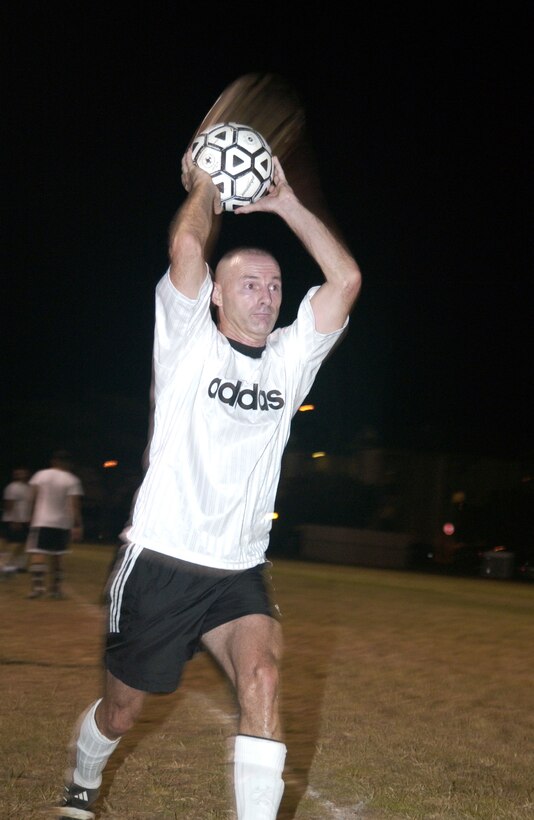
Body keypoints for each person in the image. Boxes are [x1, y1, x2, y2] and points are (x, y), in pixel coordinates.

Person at [57, 147, 361, 820]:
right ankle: (82, 782)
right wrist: (203, 186)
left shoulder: (288, 363)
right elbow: (188, 243)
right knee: (122, 709)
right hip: (161, 561)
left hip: (238, 571)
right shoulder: (187, 339)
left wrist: (286, 204)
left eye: (275, 284)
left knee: (264, 678)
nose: (267, 294)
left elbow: (344, 280)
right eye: (249, 283)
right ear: (218, 294)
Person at [26, 450, 84, 599]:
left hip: (41, 520)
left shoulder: (40, 475)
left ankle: (38, 588)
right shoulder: (72, 479)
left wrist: (30, 515)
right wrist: (77, 525)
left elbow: (32, 497)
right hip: (62, 523)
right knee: (58, 557)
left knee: (38, 553)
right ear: (67, 463)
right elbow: (74, 505)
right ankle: (55, 590)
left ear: (53, 461)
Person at [1, 467, 33, 574]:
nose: (21, 475)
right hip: (14, 520)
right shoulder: (12, 487)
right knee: (11, 544)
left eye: (23, 473)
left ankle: (19, 565)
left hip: (24, 520)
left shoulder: (29, 487)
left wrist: (29, 517)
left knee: (23, 544)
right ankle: (3, 565)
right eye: (18, 473)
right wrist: (14, 519)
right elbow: (9, 504)